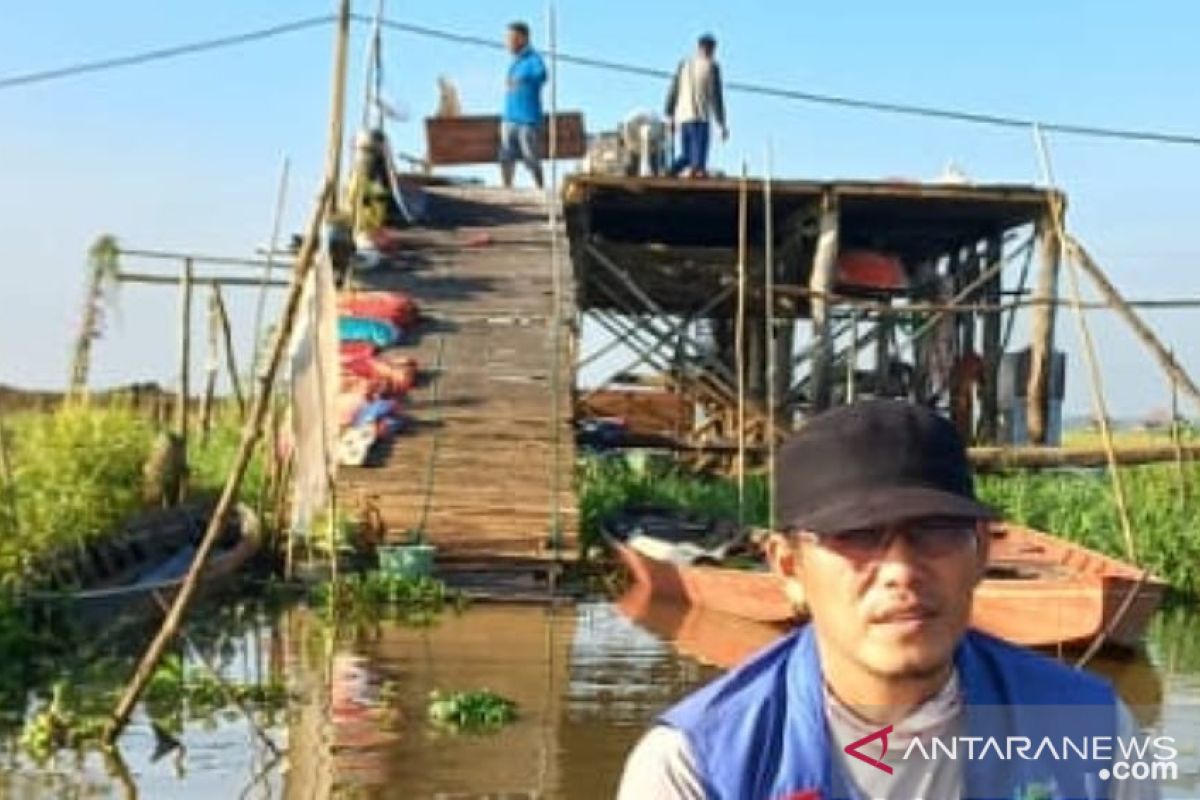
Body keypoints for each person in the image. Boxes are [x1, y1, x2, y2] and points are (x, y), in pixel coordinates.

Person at [617, 399, 1157, 799]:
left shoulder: (1095, 731)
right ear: (790, 568)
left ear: (980, 554)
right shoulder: (697, 766)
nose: (901, 569)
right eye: (856, 536)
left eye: (937, 530)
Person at [664, 33, 728, 178]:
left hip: (684, 117)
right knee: (698, 164)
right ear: (711, 49)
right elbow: (716, 98)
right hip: (700, 118)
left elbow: (673, 90)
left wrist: (670, 116)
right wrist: (722, 124)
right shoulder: (712, 67)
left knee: (687, 155)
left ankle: (669, 172)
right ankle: (688, 180)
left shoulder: (684, 64)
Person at [500, 21, 547, 190]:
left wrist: (524, 80)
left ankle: (540, 188)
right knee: (506, 156)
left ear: (523, 38)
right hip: (509, 118)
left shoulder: (533, 58)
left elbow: (542, 75)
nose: (508, 42)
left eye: (511, 38)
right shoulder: (514, 62)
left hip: (527, 119)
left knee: (530, 157)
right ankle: (507, 189)